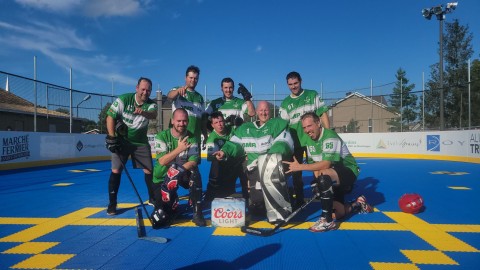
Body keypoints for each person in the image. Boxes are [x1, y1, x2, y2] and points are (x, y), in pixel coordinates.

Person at [283, 112, 373, 233]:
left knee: (324, 176)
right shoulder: (309, 141)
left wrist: (300, 167)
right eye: (304, 127)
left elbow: (326, 164)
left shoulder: (329, 136)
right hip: (331, 176)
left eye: (309, 126)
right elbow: (315, 166)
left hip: (348, 171)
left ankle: (327, 221)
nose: (307, 130)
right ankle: (357, 204)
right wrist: (317, 183)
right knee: (339, 213)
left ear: (318, 123)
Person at [213, 101, 294, 223]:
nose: (263, 113)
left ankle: (284, 200)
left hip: (272, 168)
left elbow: (284, 143)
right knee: (257, 209)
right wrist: (224, 152)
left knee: (272, 188)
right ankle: (259, 198)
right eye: (260, 110)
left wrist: (266, 160)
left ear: (270, 111)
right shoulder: (245, 128)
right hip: (254, 170)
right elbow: (234, 144)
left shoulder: (278, 124)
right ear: (256, 112)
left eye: (266, 110)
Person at [105, 77, 157, 215]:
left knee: (149, 171)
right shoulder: (124, 99)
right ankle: (112, 204)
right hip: (122, 141)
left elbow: (153, 114)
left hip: (140, 142)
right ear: (136, 88)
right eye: (143, 89)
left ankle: (152, 198)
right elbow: (110, 116)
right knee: (116, 171)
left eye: (148, 90)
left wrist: (142, 112)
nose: (145, 92)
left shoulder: (151, 104)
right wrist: (111, 137)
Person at [279, 71, 330, 209]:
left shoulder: (312, 95)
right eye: (290, 84)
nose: (293, 87)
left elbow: (323, 114)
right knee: (296, 173)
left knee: (320, 167)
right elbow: (282, 127)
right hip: (296, 143)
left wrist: (328, 133)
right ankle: (299, 200)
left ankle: (325, 195)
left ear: (301, 81)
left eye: (296, 83)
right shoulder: (285, 103)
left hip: (313, 140)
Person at [150, 108, 206, 227]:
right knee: (166, 215)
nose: (181, 124)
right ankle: (170, 202)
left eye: (184, 121)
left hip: (179, 175)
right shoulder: (162, 136)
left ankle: (197, 212)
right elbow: (162, 161)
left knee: (195, 173)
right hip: (161, 178)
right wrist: (179, 149)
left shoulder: (192, 138)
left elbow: (193, 161)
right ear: (172, 121)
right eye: (179, 121)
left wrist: (176, 171)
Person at [204, 111, 248, 202]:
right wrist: (219, 157)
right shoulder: (211, 140)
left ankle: (248, 199)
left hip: (238, 160)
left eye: (221, 121)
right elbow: (211, 157)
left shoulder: (231, 128)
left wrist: (239, 122)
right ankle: (210, 194)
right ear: (212, 125)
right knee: (215, 167)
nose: (219, 124)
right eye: (216, 123)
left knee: (245, 174)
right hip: (224, 163)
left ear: (224, 121)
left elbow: (244, 130)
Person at [167, 65, 208, 149]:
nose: (193, 80)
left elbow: (203, 120)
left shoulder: (200, 97)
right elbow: (170, 96)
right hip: (178, 139)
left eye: (195, 78)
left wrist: (205, 135)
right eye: (191, 77)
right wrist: (178, 91)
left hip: (195, 139)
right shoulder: (177, 90)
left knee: (194, 162)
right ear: (185, 78)